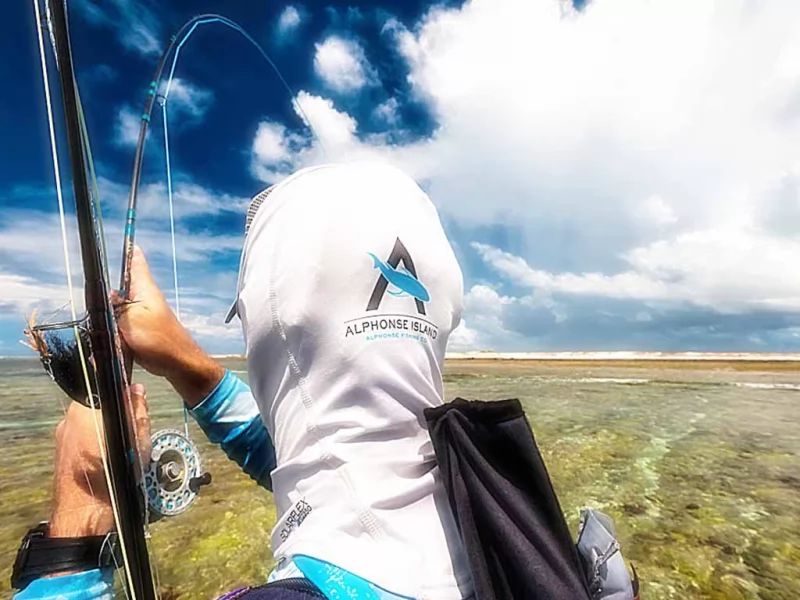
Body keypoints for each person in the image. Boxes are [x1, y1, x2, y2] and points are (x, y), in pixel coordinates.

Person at [13, 162, 475, 600]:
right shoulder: (488, 502)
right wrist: (189, 367)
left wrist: (82, 512)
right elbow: (319, 464)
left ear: (267, 323)